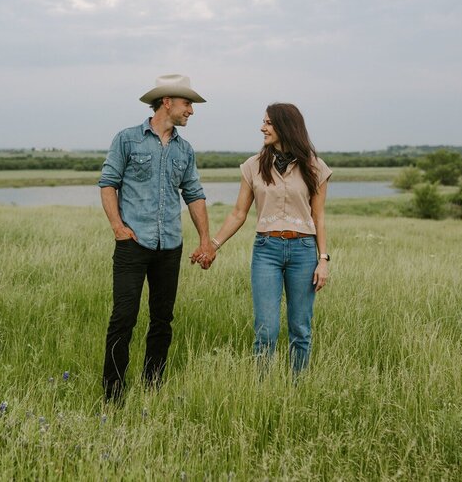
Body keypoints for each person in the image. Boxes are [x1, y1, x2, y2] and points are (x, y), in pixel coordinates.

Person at [98, 74, 217, 402]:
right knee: (124, 318)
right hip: (133, 244)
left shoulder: (184, 149)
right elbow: (108, 183)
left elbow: (194, 194)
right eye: (187, 103)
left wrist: (205, 241)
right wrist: (117, 227)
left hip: (170, 247)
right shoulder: (127, 139)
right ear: (167, 101)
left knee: (162, 319)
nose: (191, 110)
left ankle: (152, 386)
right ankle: (113, 394)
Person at [192, 102, 331, 375]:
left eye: (268, 123)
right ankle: (262, 388)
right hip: (267, 251)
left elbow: (319, 216)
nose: (262, 128)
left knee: (300, 328)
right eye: (263, 122)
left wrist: (323, 259)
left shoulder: (315, 167)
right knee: (266, 330)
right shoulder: (253, 166)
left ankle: (297, 387)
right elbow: (238, 213)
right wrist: (212, 245)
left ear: (285, 126)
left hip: (303, 251)